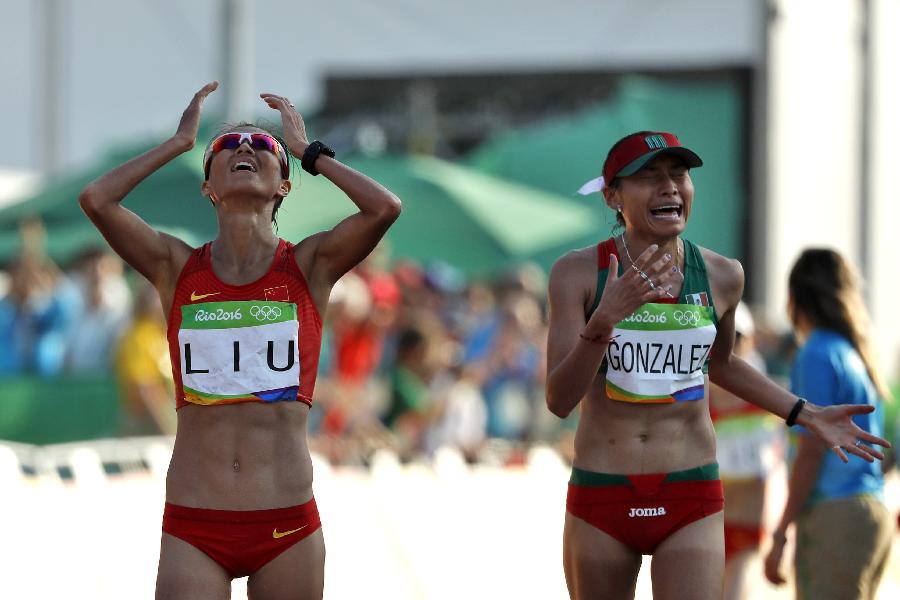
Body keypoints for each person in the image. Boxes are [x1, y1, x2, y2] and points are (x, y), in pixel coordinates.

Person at [79, 82, 401, 599]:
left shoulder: (309, 266)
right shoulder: (175, 266)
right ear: (208, 187)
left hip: (286, 524)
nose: (244, 148)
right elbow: (96, 199)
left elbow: (384, 208)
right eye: (225, 147)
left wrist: (308, 152)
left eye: (262, 147)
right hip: (195, 524)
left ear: (284, 187)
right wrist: (178, 145)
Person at [545, 130, 890, 600]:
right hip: (603, 489)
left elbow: (722, 365)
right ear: (613, 196)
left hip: (690, 489)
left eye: (678, 175)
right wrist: (604, 319)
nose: (669, 187)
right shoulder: (579, 272)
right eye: (649, 177)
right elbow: (559, 399)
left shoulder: (723, 275)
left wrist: (805, 413)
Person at [763, 248, 894, 600]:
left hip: (835, 515)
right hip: (868, 512)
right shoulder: (856, 351)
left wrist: (780, 532)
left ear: (794, 297)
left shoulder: (816, 354)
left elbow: (811, 451)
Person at [709, 301, 782, 600]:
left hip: (742, 522)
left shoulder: (766, 398)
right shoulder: (696, 397)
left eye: (736, 338)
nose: (730, 345)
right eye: (725, 336)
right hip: (712, 521)